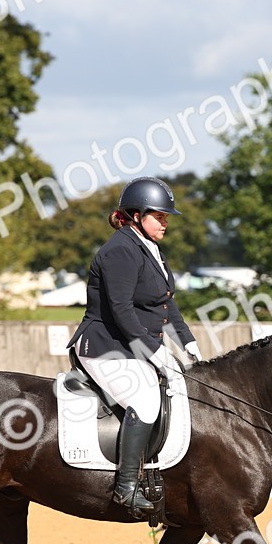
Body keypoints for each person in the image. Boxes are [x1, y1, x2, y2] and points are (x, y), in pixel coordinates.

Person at [67, 176, 203, 519]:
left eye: (166, 217)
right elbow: (121, 309)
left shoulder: (150, 249)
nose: (165, 223)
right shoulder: (120, 250)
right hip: (103, 345)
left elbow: (165, 304)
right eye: (160, 216)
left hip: (131, 344)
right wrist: (151, 350)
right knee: (144, 399)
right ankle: (126, 487)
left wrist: (186, 340)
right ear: (137, 216)